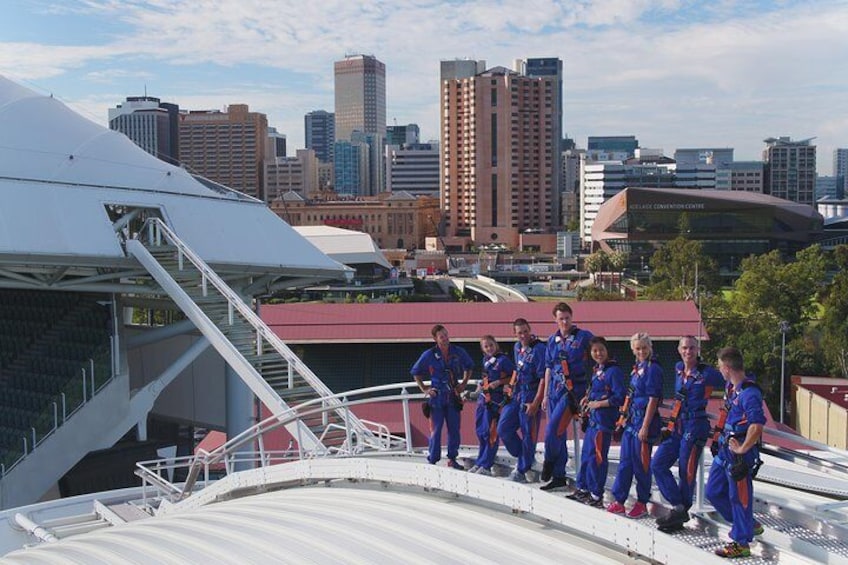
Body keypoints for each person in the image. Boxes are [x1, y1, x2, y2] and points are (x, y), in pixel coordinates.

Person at [651, 335, 725, 529]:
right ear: (679, 349)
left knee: (687, 470)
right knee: (658, 464)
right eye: (684, 348)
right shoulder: (678, 368)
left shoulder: (706, 373)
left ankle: (680, 511)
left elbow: (730, 378)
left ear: (697, 350)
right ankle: (678, 506)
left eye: (692, 348)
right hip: (677, 425)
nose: (688, 352)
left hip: (695, 424)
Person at [706, 347, 766, 559]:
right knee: (712, 491)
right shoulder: (731, 388)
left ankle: (741, 542)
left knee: (738, 498)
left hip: (739, 454)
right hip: (725, 450)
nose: (719, 370)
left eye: (720, 366)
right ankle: (748, 524)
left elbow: (756, 426)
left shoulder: (750, 393)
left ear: (727, 367)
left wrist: (742, 448)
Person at [607, 332, 663, 518]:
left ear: (650, 348)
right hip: (631, 422)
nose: (641, 351)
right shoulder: (637, 368)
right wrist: (622, 420)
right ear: (633, 349)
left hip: (643, 422)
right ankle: (620, 500)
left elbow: (653, 399)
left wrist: (645, 426)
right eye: (638, 348)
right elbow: (630, 395)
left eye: (644, 348)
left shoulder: (653, 369)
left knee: (642, 465)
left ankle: (642, 501)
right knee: (625, 463)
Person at [541, 302, 594, 491]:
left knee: (552, 430)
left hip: (572, 391)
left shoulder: (583, 337)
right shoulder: (551, 340)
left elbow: (597, 356)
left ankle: (548, 461)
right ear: (555, 319)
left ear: (572, 317)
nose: (564, 322)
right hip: (554, 390)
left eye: (567, 318)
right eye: (560, 318)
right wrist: (546, 394)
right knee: (558, 435)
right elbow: (548, 367)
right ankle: (558, 475)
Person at [568, 336, 626, 507]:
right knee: (586, 455)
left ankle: (596, 494)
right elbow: (595, 390)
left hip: (604, 421)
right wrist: (587, 398)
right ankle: (583, 487)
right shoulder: (598, 369)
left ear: (607, 350)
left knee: (597, 458)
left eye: (601, 350)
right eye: (594, 351)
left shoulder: (613, 371)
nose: (598, 353)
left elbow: (619, 397)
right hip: (593, 420)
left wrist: (598, 404)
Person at [411, 324, 474, 469]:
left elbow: (469, 366)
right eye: (441, 336)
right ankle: (432, 460)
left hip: (453, 396)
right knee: (436, 429)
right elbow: (416, 372)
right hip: (437, 399)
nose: (445, 338)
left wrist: (464, 383)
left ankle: (452, 458)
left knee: (454, 429)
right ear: (435, 339)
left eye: (446, 335)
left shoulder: (458, 352)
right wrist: (424, 389)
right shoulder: (429, 354)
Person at [497, 318, 547, 483]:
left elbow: (543, 378)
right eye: (520, 333)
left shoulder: (539, 349)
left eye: (526, 331)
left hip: (531, 396)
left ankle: (522, 469)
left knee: (528, 434)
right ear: (515, 334)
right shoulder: (517, 347)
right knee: (503, 428)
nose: (523, 335)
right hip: (517, 394)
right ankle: (525, 457)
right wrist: (510, 387)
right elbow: (517, 371)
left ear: (530, 329)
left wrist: (536, 402)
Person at [469, 335, 515, 475]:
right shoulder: (486, 361)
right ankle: (480, 461)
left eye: (491, 345)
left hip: (495, 401)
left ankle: (486, 464)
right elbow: (485, 378)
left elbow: (514, 375)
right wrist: (479, 388)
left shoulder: (503, 360)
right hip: (484, 400)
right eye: (486, 346)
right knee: (481, 432)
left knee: (491, 433)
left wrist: (500, 383)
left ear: (496, 344)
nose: (489, 348)